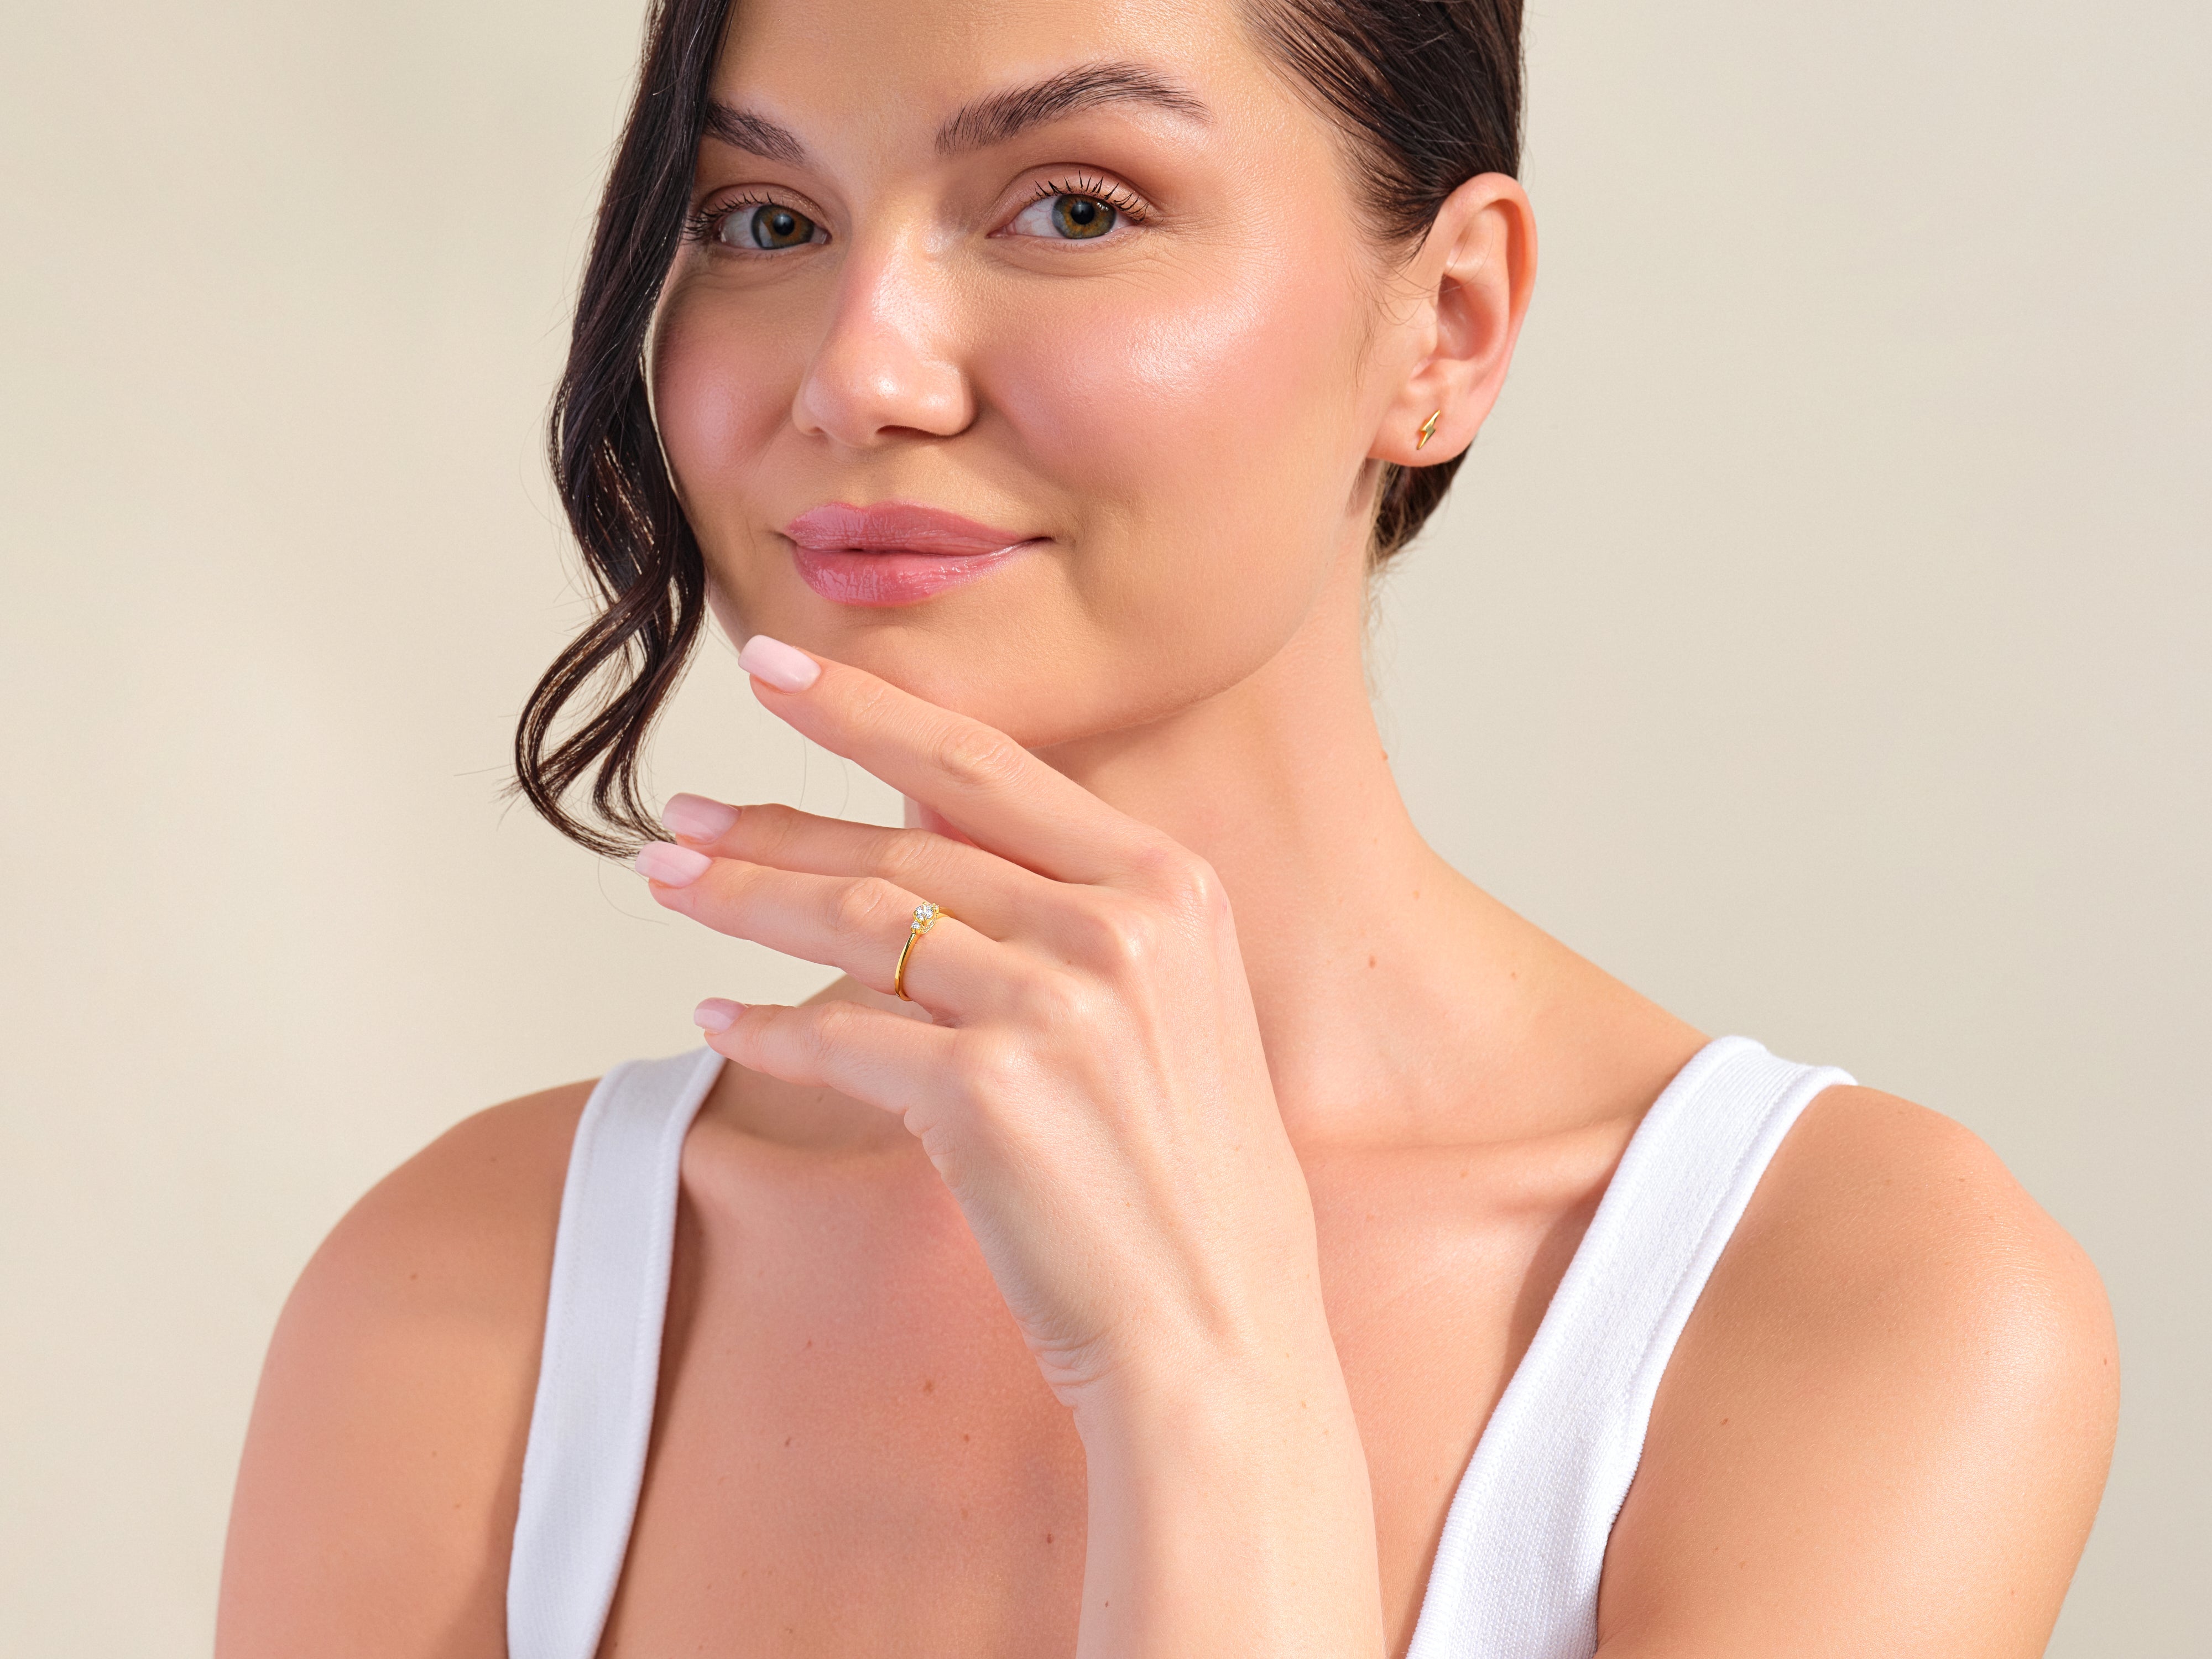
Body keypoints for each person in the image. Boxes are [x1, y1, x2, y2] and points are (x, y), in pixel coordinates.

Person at [215, 0, 2119, 1653]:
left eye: (1074, 205)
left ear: (1445, 324)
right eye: (764, 220)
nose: (861, 367)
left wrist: (1204, 1384)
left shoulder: (1840, 1306)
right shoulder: (478, 1297)